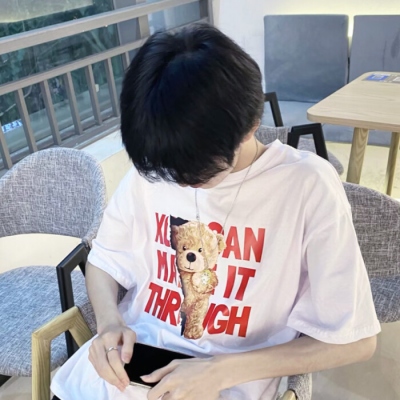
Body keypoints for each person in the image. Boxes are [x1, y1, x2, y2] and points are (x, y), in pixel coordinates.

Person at [51, 24, 380, 400]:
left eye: (196, 174)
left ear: (250, 127)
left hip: (227, 383)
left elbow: (356, 341)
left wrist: (222, 371)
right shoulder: (158, 166)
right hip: (124, 374)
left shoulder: (307, 186)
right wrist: (109, 323)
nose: (178, 182)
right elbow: (105, 262)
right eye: (168, 171)